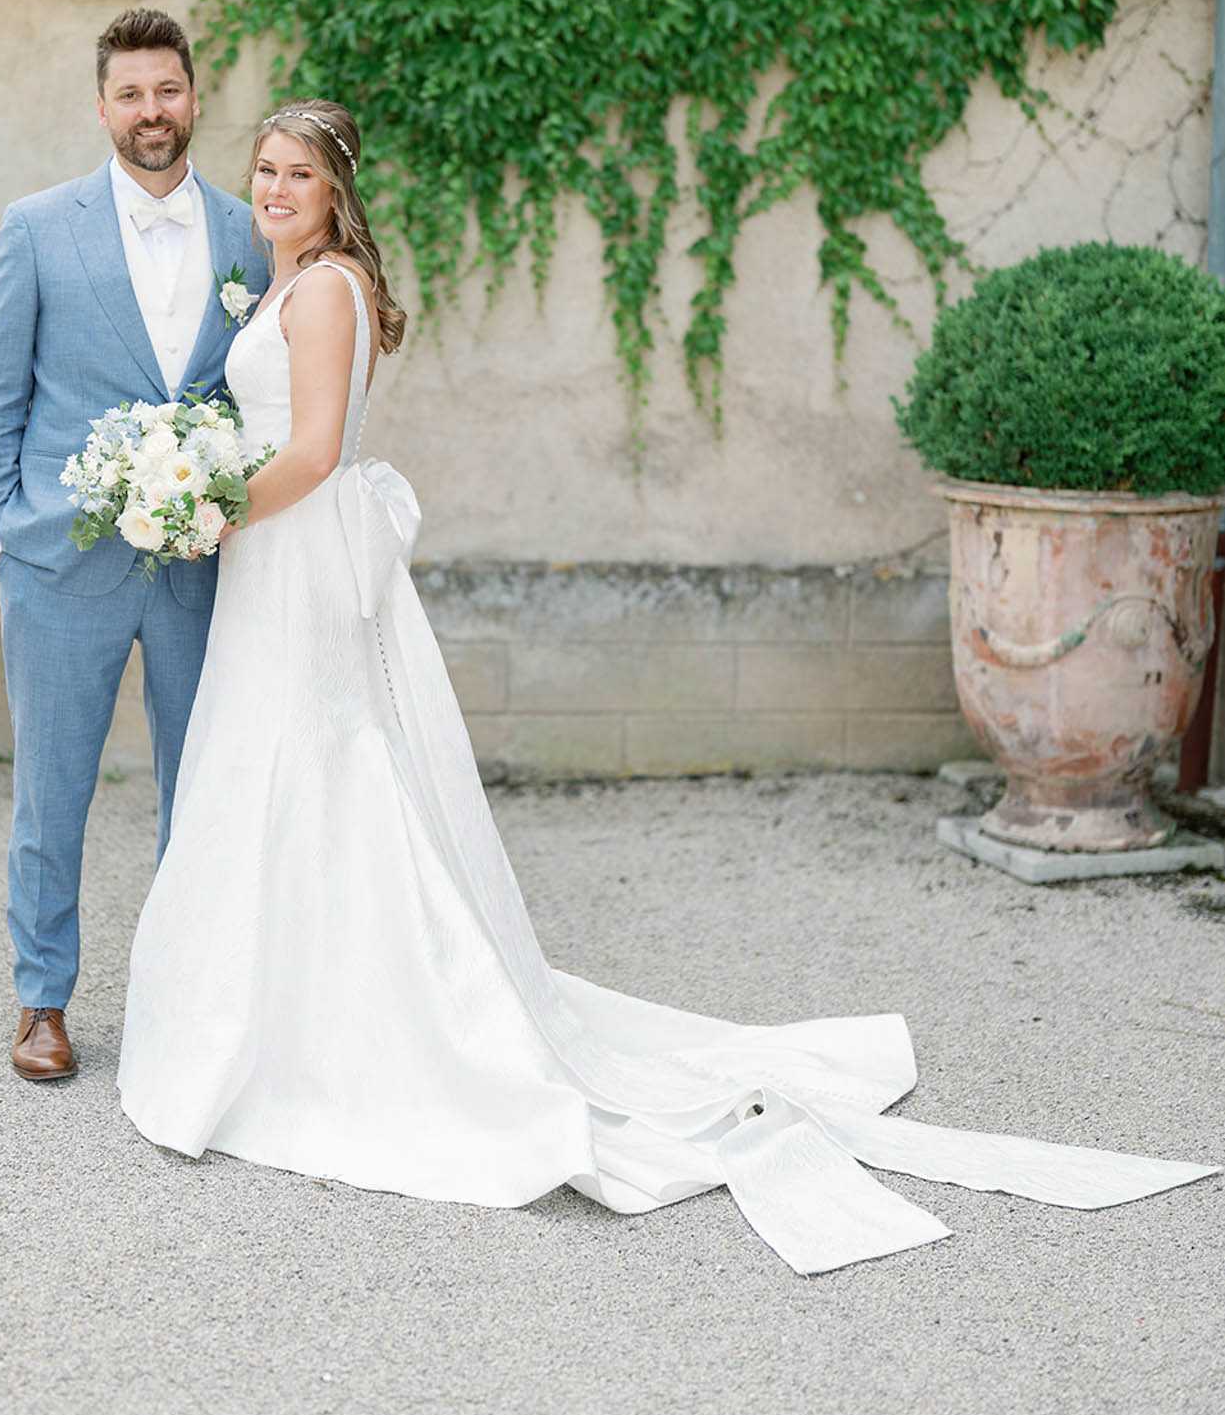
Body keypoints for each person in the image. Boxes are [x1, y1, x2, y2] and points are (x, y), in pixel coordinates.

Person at [117, 97, 1218, 1275]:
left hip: (295, 561)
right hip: (276, 564)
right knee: (278, 763)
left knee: (317, 764)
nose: (276, 188)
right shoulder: (284, 282)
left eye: (298, 174)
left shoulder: (325, 289)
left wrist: (207, 509)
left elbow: (317, 449)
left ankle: (340, 1031)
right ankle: (278, 1018)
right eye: (265, 170)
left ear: (337, 191)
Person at [0, 7, 269, 1084]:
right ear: (103, 107)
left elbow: (259, 391)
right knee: (54, 790)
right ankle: (42, 999)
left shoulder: (247, 233)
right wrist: (3, 528)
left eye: (169, 90)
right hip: (61, 561)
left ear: (195, 96)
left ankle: (188, 997)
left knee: (205, 785)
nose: (153, 112)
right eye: (132, 94)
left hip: (200, 566)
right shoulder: (37, 225)